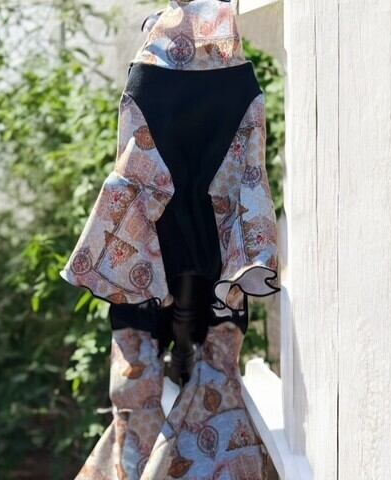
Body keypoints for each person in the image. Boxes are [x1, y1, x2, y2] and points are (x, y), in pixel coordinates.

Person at [59, 0, 280, 478]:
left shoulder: (151, 66)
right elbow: (248, 168)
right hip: (216, 247)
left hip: (153, 244)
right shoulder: (235, 63)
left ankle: (136, 462)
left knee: (136, 381)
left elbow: (132, 163)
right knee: (215, 369)